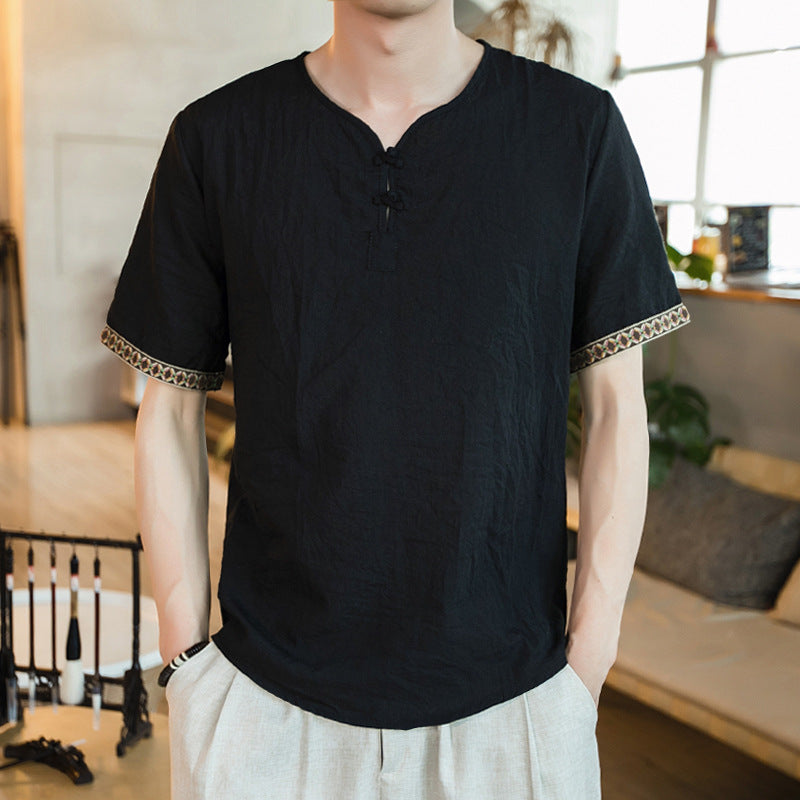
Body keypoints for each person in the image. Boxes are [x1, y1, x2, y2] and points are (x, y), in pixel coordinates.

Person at [100, 1, 691, 797]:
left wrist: (585, 668)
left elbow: (618, 408)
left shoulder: (576, 130)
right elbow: (169, 406)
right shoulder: (218, 138)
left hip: (515, 709)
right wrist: (188, 666)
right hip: (264, 706)